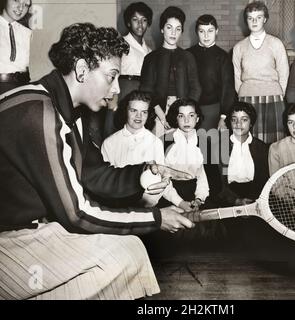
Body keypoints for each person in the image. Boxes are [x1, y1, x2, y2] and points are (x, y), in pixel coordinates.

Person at [0, 23, 195, 300]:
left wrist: (143, 173)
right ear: (81, 70)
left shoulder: (69, 110)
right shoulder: (40, 112)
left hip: (31, 230)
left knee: (132, 251)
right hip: (10, 241)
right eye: (111, 76)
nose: (116, 89)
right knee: (125, 259)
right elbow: (77, 214)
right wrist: (156, 218)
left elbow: (94, 173)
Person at [101, 90, 184, 209]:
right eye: (133, 110)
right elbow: (104, 182)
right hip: (117, 207)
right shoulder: (109, 143)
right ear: (126, 111)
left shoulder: (155, 143)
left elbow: (163, 180)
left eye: (143, 112)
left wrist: (180, 202)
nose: (138, 116)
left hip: (146, 210)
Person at [232, 1, 289, 144]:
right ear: (246, 21)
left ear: (265, 19)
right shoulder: (239, 47)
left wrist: (278, 93)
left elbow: (284, 72)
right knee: (248, 143)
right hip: (247, 99)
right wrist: (244, 93)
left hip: (273, 98)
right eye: (250, 18)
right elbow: (237, 76)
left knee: (273, 143)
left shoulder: (276, 43)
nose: (254, 21)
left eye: (258, 17)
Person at [140, 6, 201, 137]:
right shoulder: (151, 58)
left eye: (178, 29)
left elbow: (196, 88)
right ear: (162, 29)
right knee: (159, 150)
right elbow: (146, 90)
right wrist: (162, 116)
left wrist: (186, 112)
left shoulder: (188, 57)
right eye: (169, 27)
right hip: (158, 112)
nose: (173, 33)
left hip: (184, 112)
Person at [103, 2, 153, 138]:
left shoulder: (149, 50)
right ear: (128, 23)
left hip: (142, 91)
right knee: (115, 128)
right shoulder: (120, 43)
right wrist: (112, 98)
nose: (140, 24)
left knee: (136, 130)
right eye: (135, 20)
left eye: (144, 20)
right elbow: (110, 71)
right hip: (123, 88)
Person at [187, 14, 236, 131]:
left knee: (215, 147)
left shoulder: (223, 56)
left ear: (217, 31)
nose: (206, 35)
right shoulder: (188, 54)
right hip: (190, 110)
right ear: (196, 32)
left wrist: (223, 117)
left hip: (215, 111)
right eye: (202, 31)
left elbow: (228, 89)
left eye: (210, 31)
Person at [161, 98, 209, 212]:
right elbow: (162, 179)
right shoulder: (164, 142)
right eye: (181, 116)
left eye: (191, 115)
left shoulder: (204, 143)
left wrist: (198, 199)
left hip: (195, 196)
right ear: (176, 119)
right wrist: (180, 203)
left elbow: (203, 178)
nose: (186, 120)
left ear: (197, 118)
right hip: (169, 196)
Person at [217, 101, 269, 206]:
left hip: (255, 199)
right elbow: (216, 183)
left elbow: (263, 180)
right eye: (234, 119)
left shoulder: (262, 148)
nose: (238, 124)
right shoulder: (219, 148)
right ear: (229, 122)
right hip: (227, 199)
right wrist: (236, 201)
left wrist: (252, 202)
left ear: (251, 123)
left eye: (244, 120)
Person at [0, 0, 32, 95]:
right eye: (17, 0)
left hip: (22, 87)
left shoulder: (27, 32)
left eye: (26, 5)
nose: (21, 8)